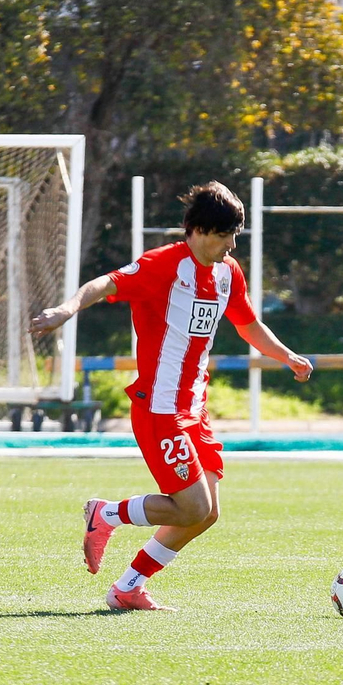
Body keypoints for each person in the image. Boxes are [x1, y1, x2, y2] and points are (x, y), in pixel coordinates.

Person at [30, 181, 314, 611]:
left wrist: (286, 355)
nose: (231, 245)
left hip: (194, 410)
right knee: (191, 506)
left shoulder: (227, 272)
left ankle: (127, 588)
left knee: (207, 513)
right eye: (224, 235)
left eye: (235, 235)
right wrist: (64, 311)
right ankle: (106, 514)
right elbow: (104, 284)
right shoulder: (162, 265)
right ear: (198, 230)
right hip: (159, 408)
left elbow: (248, 324)